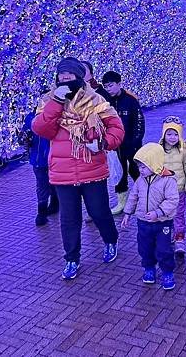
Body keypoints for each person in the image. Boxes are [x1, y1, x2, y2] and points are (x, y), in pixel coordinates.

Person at [32, 57, 125, 280]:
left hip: (92, 169)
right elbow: (41, 128)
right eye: (61, 77)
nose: (64, 80)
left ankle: (110, 241)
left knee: (99, 212)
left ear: (79, 78)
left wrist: (103, 143)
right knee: (69, 219)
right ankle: (72, 258)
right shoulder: (48, 101)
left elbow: (116, 127)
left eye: (69, 77)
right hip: (62, 173)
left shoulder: (96, 100)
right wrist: (56, 101)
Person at [121, 143, 179, 290]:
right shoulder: (140, 180)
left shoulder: (168, 179)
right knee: (145, 247)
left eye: (143, 167)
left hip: (162, 223)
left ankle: (167, 272)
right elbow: (133, 196)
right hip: (143, 222)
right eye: (139, 167)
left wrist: (158, 213)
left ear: (154, 164)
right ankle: (149, 268)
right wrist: (127, 213)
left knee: (164, 249)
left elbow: (172, 200)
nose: (140, 170)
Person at [101, 70, 145, 215]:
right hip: (114, 146)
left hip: (132, 145)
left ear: (119, 84)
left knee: (137, 172)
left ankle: (146, 198)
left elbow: (139, 123)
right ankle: (122, 202)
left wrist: (135, 142)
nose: (109, 89)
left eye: (111, 85)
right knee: (119, 174)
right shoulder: (104, 101)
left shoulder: (131, 100)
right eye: (106, 86)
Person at [21, 92, 59, 226]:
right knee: (42, 184)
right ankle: (41, 213)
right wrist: (25, 139)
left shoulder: (58, 116)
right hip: (39, 158)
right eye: (43, 99)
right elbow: (24, 135)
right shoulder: (31, 117)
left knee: (56, 182)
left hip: (56, 158)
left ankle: (55, 204)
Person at [159, 115, 186, 255]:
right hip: (163, 191)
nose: (172, 137)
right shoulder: (159, 150)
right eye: (169, 134)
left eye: (175, 134)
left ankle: (180, 238)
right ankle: (167, 234)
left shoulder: (183, 149)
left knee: (179, 214)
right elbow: (156, 168)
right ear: (164, 134)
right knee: (165, 214)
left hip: (179, 189)